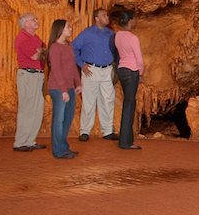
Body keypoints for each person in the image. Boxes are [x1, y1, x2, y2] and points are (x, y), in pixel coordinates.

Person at [72, 8, 117, 141]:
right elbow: (73, 47)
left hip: (107, 69)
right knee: (89, 100)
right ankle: (85, 131)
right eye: (104, 15)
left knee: (108, 100)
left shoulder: (111, 34)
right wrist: (81, 64)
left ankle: (107, 130)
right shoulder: (87, 33)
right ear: (96, 18)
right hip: (91, 69)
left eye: (107, 15)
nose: (107, 17)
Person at [46, 19, 80, 159]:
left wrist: (78, 83)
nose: (70, 29)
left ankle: (63, 146)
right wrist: (63, 90)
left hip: (69, 87)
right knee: (59, 119)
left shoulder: (68, 46)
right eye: (68, 27)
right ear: (60, 30)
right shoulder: (54, 47)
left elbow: (72, 67)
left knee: (68, 117)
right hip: (58, 87)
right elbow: (56, 69)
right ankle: (58, 150)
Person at [13, 14, 45, 151]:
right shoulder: (22, 38)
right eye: (33, 19)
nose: (36, 21)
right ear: (25, 24)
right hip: (28, 74)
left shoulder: (35, 37)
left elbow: (44, 51)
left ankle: (30, 140)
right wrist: (41, 52)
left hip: (37, 75)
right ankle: (20, 142)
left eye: (36, 18)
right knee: (27, 108)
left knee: (37, 108)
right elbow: (35, 55)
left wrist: (41, 51)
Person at [114, 10, 143, 150]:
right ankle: (125, 142)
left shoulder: (117, 35)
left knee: (128, 103)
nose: (135, 21)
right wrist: (141, 72)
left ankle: (127, 139)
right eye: (134, 19)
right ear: (130, 21)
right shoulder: (133, 38)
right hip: (132, 71)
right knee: (129, 105)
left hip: (121, 70)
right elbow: (139, 59)